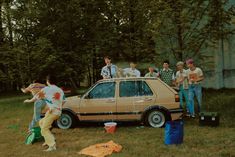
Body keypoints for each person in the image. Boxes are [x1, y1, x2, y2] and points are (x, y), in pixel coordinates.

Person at [24, 75, 65, 151]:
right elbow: (63, 101)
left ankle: (52, 146)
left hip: (53, 112)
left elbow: (36, 97)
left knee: (44, 129)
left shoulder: (46, 89)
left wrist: (28, 101)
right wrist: (56, 107)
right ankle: (48, 140)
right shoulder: (60, 90)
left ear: (48, 81)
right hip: (57, 112)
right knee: (41, 122)